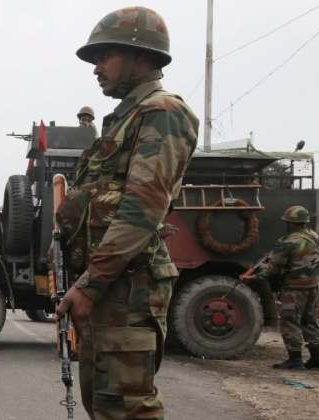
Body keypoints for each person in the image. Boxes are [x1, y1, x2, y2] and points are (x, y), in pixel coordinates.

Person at [54, 7, 199, 419]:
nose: (97, 68)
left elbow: (141, 208)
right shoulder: (123, 120)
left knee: (127, 410)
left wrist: (90, 285)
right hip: (108, 288)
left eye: (105, 56)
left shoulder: (162, 112)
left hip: (125, 289)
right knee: (102, 405)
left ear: (141, 56)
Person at [240, 205, 319, 370]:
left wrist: (251, 278)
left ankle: (295, 359)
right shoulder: (314, 236)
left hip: (294, 288)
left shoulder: (287, 242)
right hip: (313, 286)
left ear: (291, 223)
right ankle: (317, 358)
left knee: (290, 321)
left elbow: (272, 270)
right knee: (310, 321)